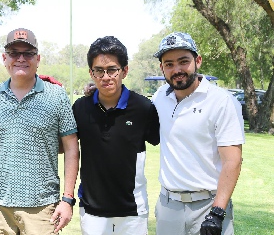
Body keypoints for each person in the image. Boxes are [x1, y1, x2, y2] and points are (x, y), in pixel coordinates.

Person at [0, 28, 80, 234]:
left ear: (38, 59)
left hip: (42, 208)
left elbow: (71, 148)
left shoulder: (56, 96)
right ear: (4, 58)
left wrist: (67, 199)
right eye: (14, 53)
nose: (21, 58)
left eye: (27, 53)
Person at [152, 32, 244, 235]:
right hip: (168, 206)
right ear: (162, 68)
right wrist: (96, 92)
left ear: (198, 61)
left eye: (183, 61)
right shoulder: (159, 97)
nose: (177, 70)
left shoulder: (222, 101)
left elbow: (233, 161)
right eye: (169, 64)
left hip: (209, 205)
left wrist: (218, 212)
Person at [72, 36, 160, 235]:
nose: (106, 77)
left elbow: (163, 139)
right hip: (92, 211)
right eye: (99, 71)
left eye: (112, 70)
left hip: (132, 211)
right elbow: (66, 148)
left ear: (124, 71)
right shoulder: (80, 108)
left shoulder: (143, 108)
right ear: (91, 73)